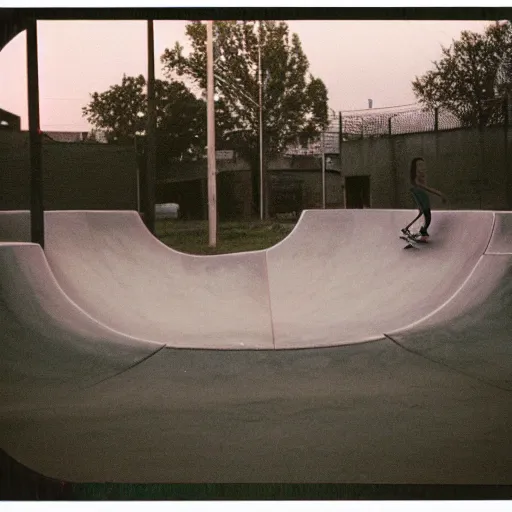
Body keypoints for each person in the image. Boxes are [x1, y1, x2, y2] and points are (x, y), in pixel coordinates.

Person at [402, 157, 447, 241]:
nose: (421, 167)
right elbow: (423, 187)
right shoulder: (416, 177)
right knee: (426, 214)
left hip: (420, 193)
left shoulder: (422, 175)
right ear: (415, 167)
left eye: (422, 165)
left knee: (422, 213)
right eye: (419, 165)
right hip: (419, 193)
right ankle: (422, 232)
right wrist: (439, 193)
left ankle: (410, 229)